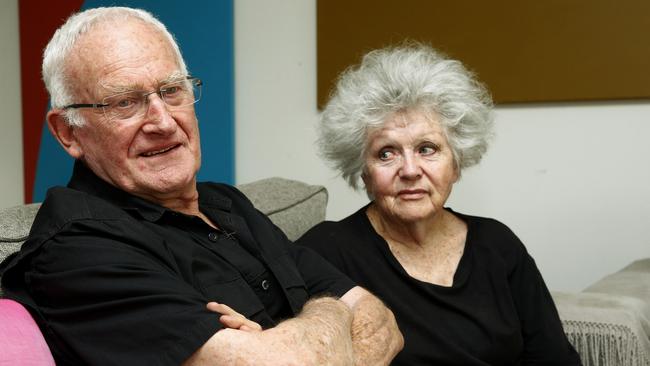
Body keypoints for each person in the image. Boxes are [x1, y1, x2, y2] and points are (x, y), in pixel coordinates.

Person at [0, 7, 403, 366]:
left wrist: (300, 340)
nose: (162, 121)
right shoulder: (78, 249)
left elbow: (384, 324)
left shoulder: (226, 203)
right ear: (68, 132)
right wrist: (331, 313)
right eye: (125, 102)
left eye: (172, 90)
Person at [296, 43, 582, 365]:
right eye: (386, 153)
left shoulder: (498, 245)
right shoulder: (326, 253)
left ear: (456, 163)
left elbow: (554, 358)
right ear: (364, 172)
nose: (409, 170)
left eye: (427, 149)